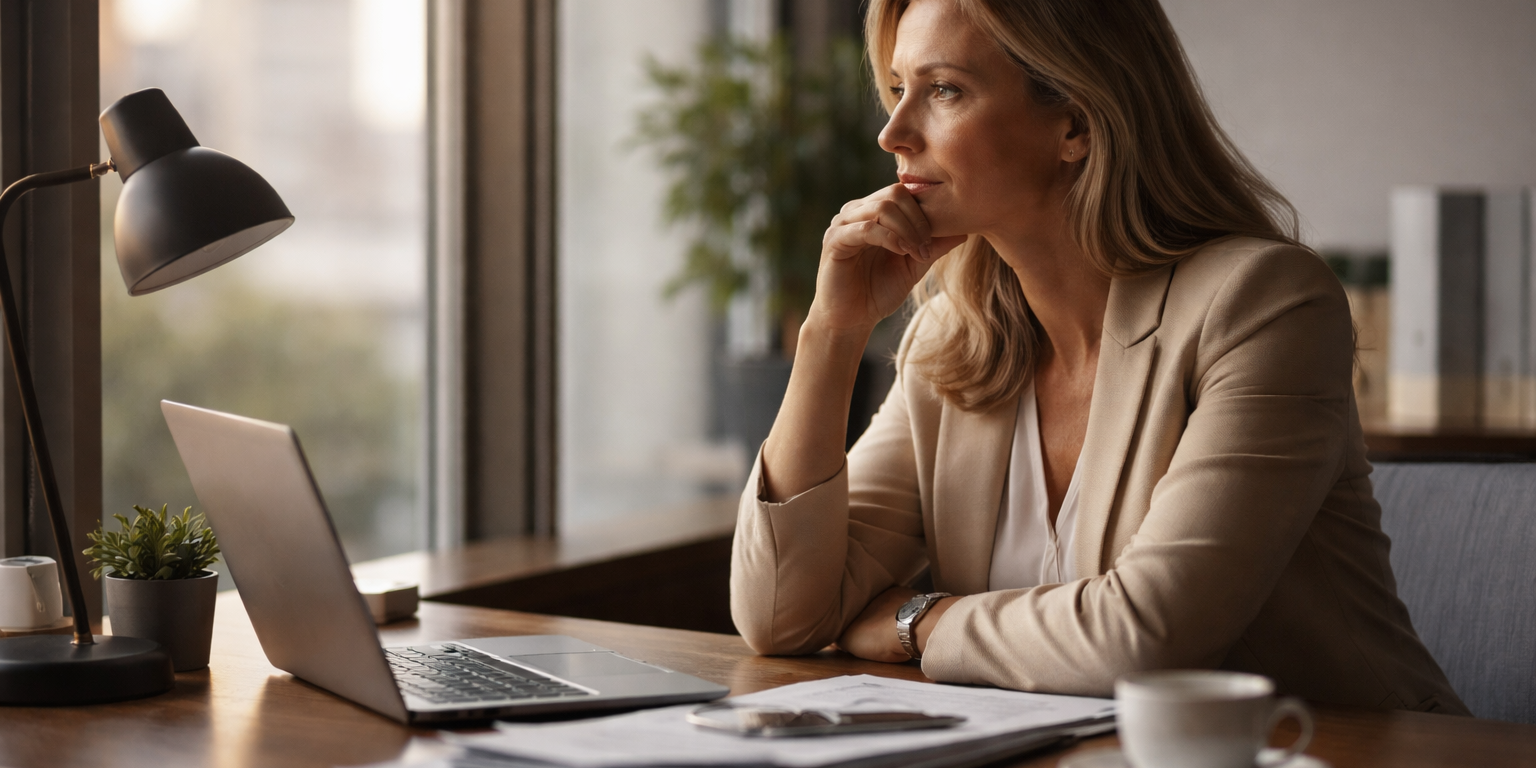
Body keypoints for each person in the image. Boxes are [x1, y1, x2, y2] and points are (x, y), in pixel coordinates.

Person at [729, 0, 1467, 714]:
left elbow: (1147, 640)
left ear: (1075, 124)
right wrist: (833, 331)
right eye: (897, 89)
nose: (893, 132)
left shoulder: (1263, 304)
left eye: (944, 89)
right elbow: (781, 617)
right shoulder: (950, 339)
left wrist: (916, 620)